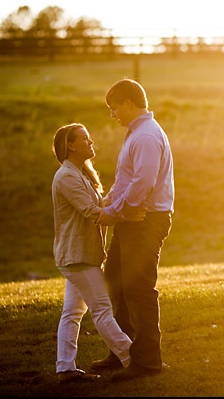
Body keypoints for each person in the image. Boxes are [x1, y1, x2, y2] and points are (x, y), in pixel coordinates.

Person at [91, 79, 174, 382]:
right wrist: (108, 200)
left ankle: (148, 361)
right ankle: (124, 351)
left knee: (138, 288)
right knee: (116, 279)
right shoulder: (137, 134)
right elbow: (127, 180)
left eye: (114, 107)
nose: (113, 114)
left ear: (128, 102)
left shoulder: (146, 136)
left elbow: (143, 183)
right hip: (131, 219)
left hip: (145, 220)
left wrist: (113, 213)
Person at [51, 123, 145, 384]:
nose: (91, 141)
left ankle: (65, 368)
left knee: (72, 312)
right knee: (102, 310)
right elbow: (93, 213)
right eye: (84, 138)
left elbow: (99, 205)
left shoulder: (80, 174)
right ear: (70, 145)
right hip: (78, 257)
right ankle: (132, 358)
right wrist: (127, 214)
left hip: (80, 256)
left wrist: (120, 199)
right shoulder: (67, 177)